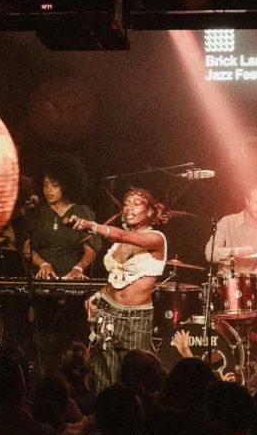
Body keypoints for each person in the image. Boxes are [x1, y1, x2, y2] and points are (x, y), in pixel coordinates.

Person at [71, 187, 170, 391]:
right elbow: (116, 280)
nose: (129, 208)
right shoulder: (117, 245)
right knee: (102, 376)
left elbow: (122, 236)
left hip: (135, 319)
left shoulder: (156, 238)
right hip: (107, 312)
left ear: (150, 211)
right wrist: (97, 295)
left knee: (135, 379)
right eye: (126, 204)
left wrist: (92, 226)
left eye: (137, 204)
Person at [23, 155, 102, 280]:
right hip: (42, 279)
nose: (48, 190)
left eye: (54, 185)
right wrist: (43, 265)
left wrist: (79, 269)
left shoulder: (81, 211)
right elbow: (27, 248)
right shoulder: (37, 212)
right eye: (45, 185)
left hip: (72, 279)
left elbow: (91, 249)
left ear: (66, 186)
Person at [204, 187, 257, 278]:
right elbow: (209, 253)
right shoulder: (227, 222)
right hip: (226, 283)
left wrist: (250, 279)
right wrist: (235, 251)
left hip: (255, 283)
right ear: (247, 201)